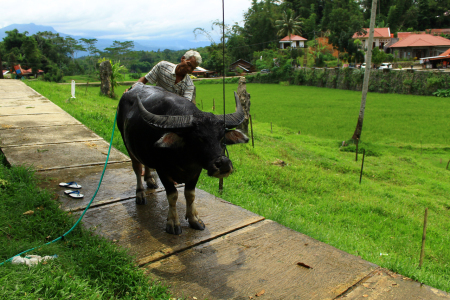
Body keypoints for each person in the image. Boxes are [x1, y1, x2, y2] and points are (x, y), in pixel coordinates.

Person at [125, 50, 202, 103]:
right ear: (183, 59)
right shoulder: (163, 66)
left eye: (192, 68)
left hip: (174, 112)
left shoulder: (189, 85)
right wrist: (131, 90)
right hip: (155, 103)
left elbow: (186, 105)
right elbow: (145, 80)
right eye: (188, 64)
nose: (189, 69)